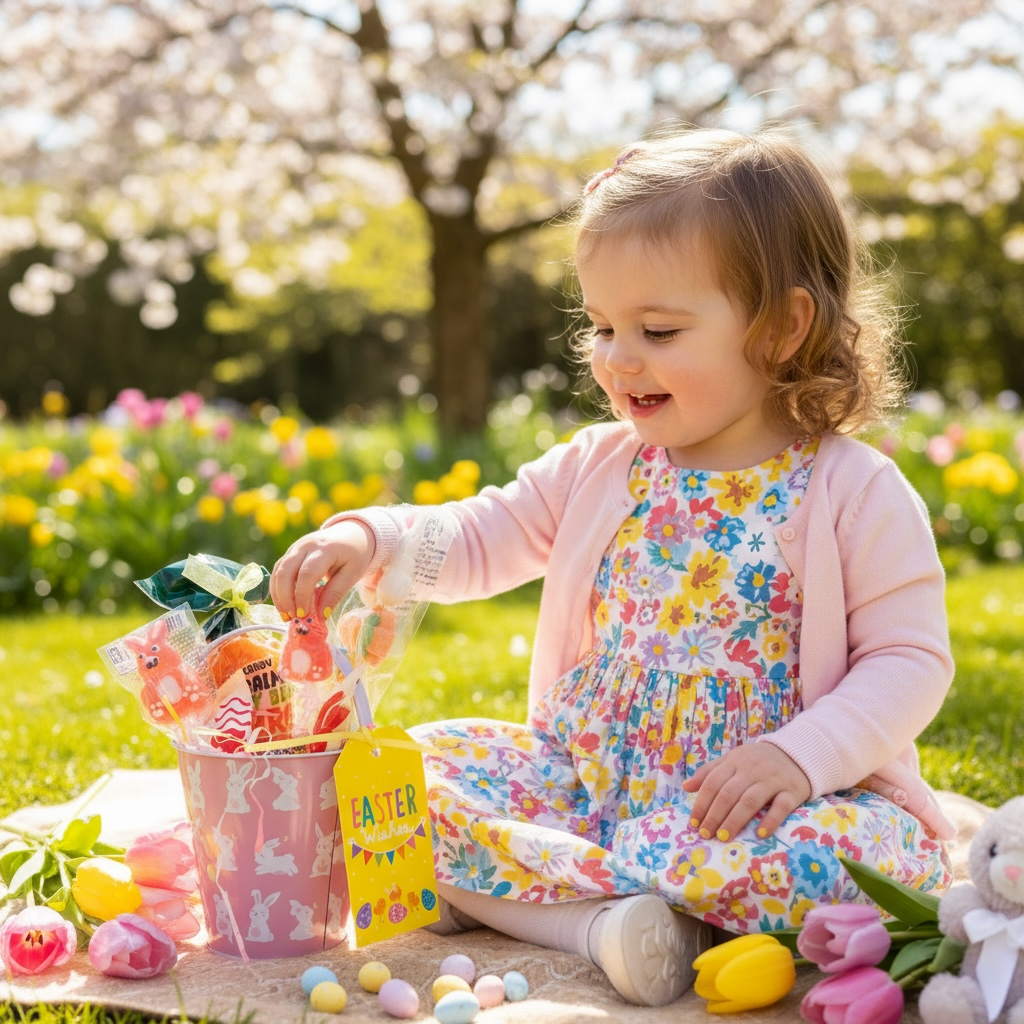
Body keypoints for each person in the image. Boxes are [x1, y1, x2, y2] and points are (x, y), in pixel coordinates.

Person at [270, 126, 955, 1007]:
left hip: (758, 808)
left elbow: (910, 661)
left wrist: (801, 756)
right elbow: (484, 533)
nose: (618, 357)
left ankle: (533, 891)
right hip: (588, 778)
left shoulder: (849, 489)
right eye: (600, 326)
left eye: (659, 330)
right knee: (400, 773)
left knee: (864, 864)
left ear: (785, 327)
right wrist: (375, 540)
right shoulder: (603, 465)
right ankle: (602, 923)